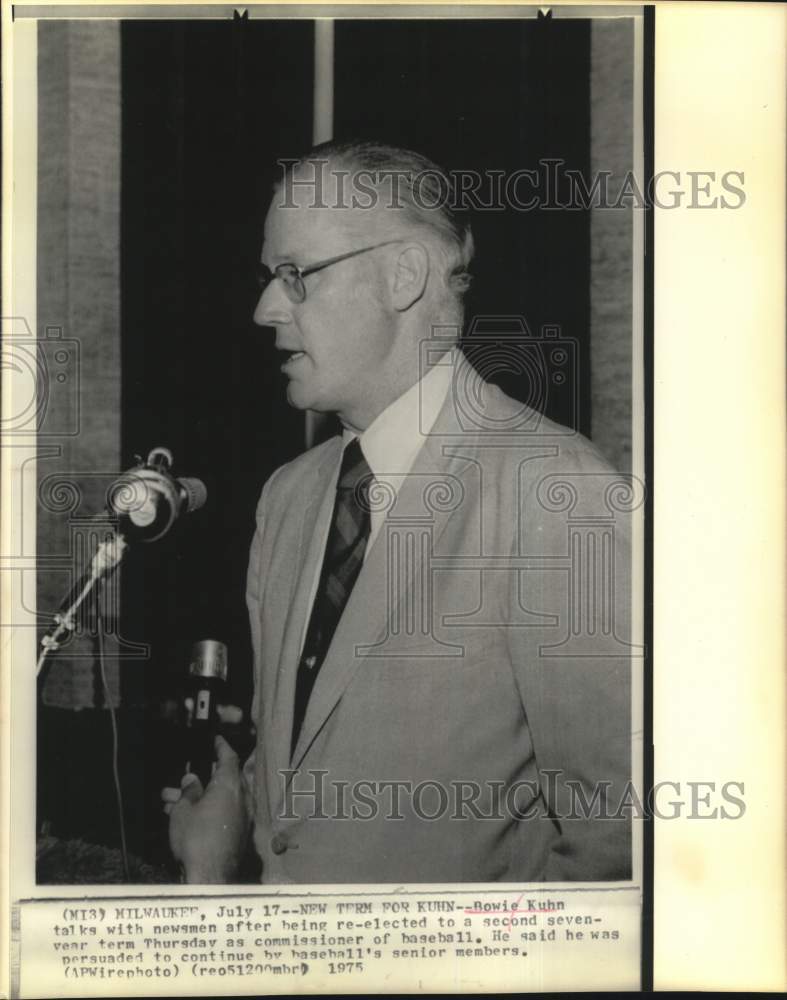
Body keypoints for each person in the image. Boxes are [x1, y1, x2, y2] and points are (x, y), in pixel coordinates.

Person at [163, 140, 634, 884]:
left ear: (403, 277)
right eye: (267, 278)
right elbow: (302, 776)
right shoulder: (287, 497)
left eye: (296, 276)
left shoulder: (555, 489)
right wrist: (228, 827)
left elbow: (616, 842)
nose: (263, 309)